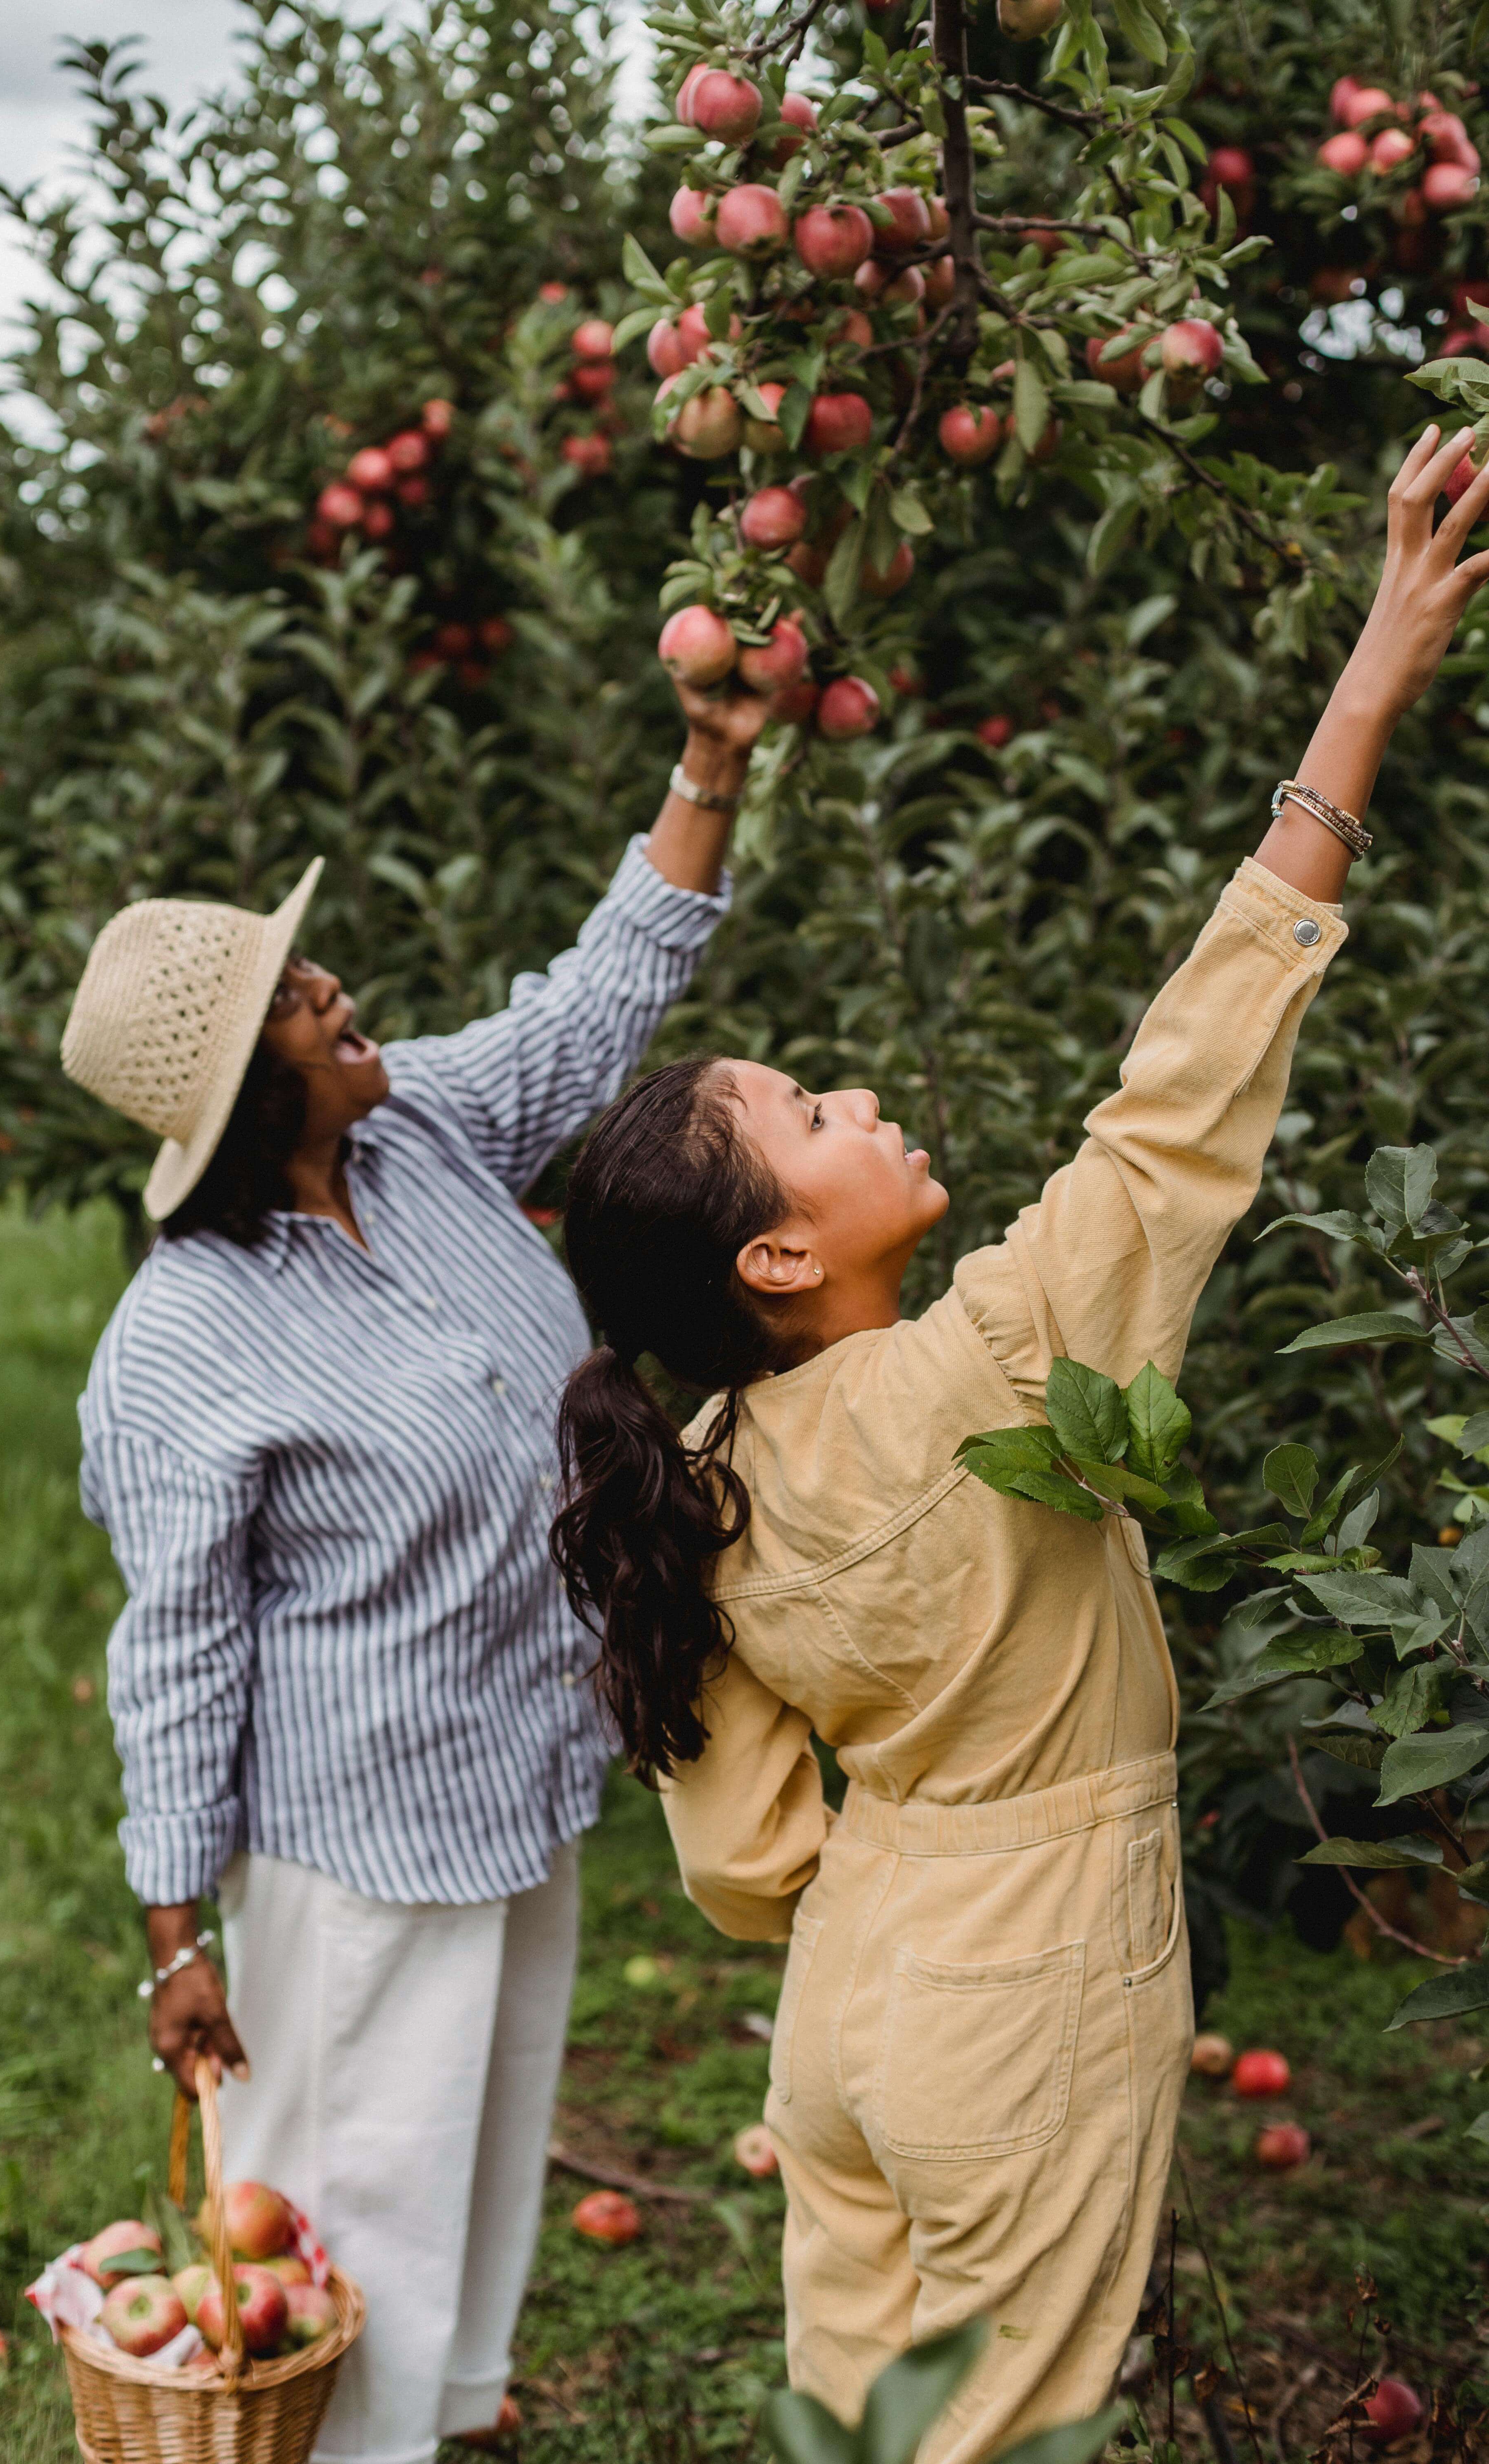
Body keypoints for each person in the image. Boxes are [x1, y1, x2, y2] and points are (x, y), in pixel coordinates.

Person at [548, 430, 1489, 2460]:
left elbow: (738, 1858)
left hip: (853, 2013)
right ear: (785, 1248)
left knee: (860, 2428)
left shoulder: (692, 1469)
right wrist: (1372, 674)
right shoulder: (995, 1366)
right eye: (811, 1107)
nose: (862, 1091)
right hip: (1027, 1986)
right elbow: (1183, 1101)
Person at [62, 669, 769, 2462]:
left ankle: (430, 2426)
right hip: (358, 1825)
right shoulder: (182, 1340)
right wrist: (174, 1928)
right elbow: (178, 1645)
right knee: (346, 2184)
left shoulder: (420, 1130)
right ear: (235, 1096)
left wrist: (709, 760)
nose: (332, 988)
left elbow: (596, 1000)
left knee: (482, 2134)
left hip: (518, 1769)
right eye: (293, 1001)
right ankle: (325, 2440)